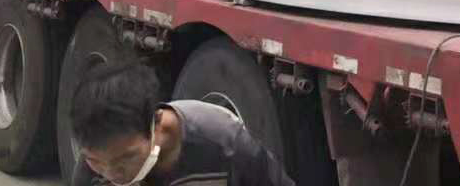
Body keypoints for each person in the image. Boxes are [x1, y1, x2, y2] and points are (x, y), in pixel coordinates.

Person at [69, 59, 295, 186]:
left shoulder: (221, 139)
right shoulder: (97, 159)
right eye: (96, 162)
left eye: (125, 159)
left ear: (156, 124)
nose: (112, 174)